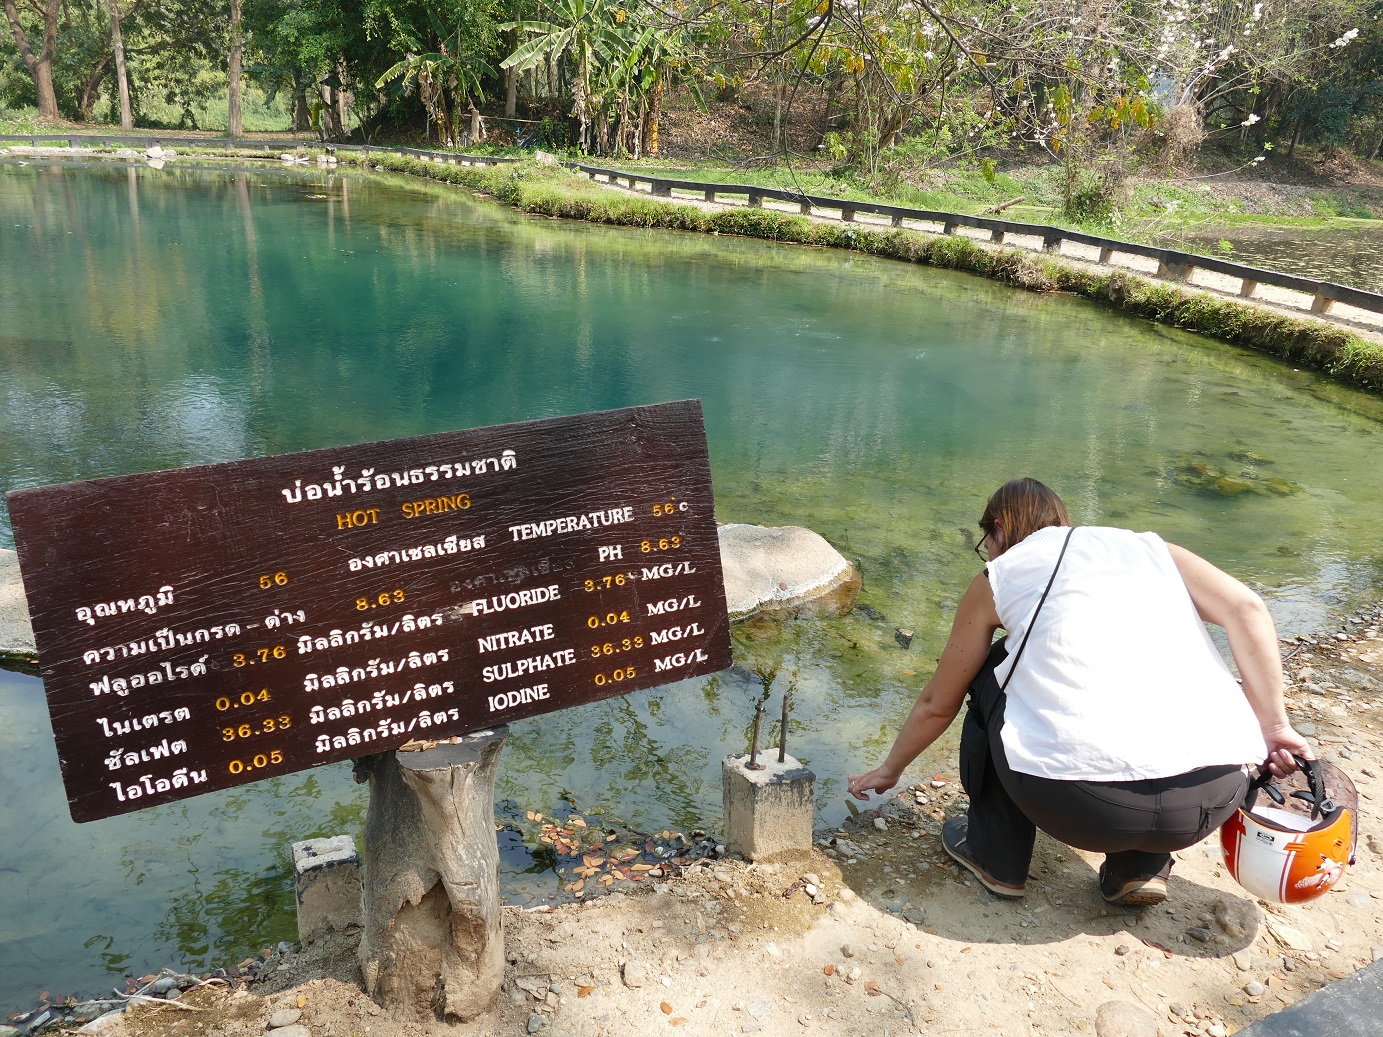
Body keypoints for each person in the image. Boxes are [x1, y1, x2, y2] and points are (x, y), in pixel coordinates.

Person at [846, 478, 1311, 906]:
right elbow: (1248, 609)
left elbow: (937, 703)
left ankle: (995, 858)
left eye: (985, 543)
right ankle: (1139, 867)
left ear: (998, 529)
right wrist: (1274, 727)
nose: (987, 555)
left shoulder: (1001, 575)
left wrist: (890, 769)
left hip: (1085, 810)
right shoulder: (1151, 549)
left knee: (993, 671)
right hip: (1208, 801)